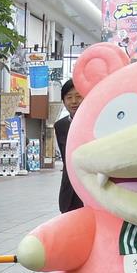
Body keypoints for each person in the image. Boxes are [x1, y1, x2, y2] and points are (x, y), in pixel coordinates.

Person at [54, 78, 84, 214]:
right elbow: (67, 162)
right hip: (69, 191)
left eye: (78, 97)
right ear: (63, 101)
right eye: (69, 97)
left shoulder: (97, 122)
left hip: (93, 188)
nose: (73, 101)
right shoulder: (60, 126)